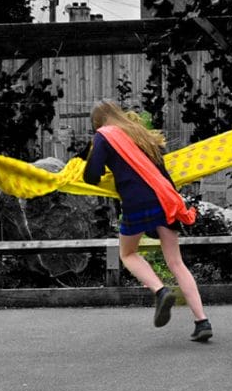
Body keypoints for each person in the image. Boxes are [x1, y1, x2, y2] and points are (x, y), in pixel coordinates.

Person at [84, 100, 212, 341]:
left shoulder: (104, 136)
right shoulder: (141, 135)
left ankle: (160, 290)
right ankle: (202, 321)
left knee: (127, 253)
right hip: (166, 199)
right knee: (176, 262)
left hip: (136, 200)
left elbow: (92, 176)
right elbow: (163, 173)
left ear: (98, 122)